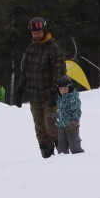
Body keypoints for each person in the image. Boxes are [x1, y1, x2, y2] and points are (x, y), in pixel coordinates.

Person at [17, 17, 67, 159]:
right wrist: (20, 89)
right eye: (34, 33)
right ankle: (47, 156)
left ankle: (63, 154)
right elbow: (25, 71)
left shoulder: (53, 48)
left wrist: (55, 90)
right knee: (40, 128)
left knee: (51, 125)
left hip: (49, 95)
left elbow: (59, 71)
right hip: (34, 97)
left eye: (38, 32)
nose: (36, 35)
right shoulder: (30, 48)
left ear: (44, 31)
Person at [54, 75, 84, 154]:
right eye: (61, 89)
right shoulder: (60, 99)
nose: (63, 90)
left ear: (69, 87)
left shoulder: (73, 98)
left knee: (75, 146)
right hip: (61, 126)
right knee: (61, 149)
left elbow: (77, 111)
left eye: (65, 88)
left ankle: (80, 159)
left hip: (71, 126)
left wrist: (75, 121)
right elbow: (61, 110)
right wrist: (56, 116)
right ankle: (64, 162)